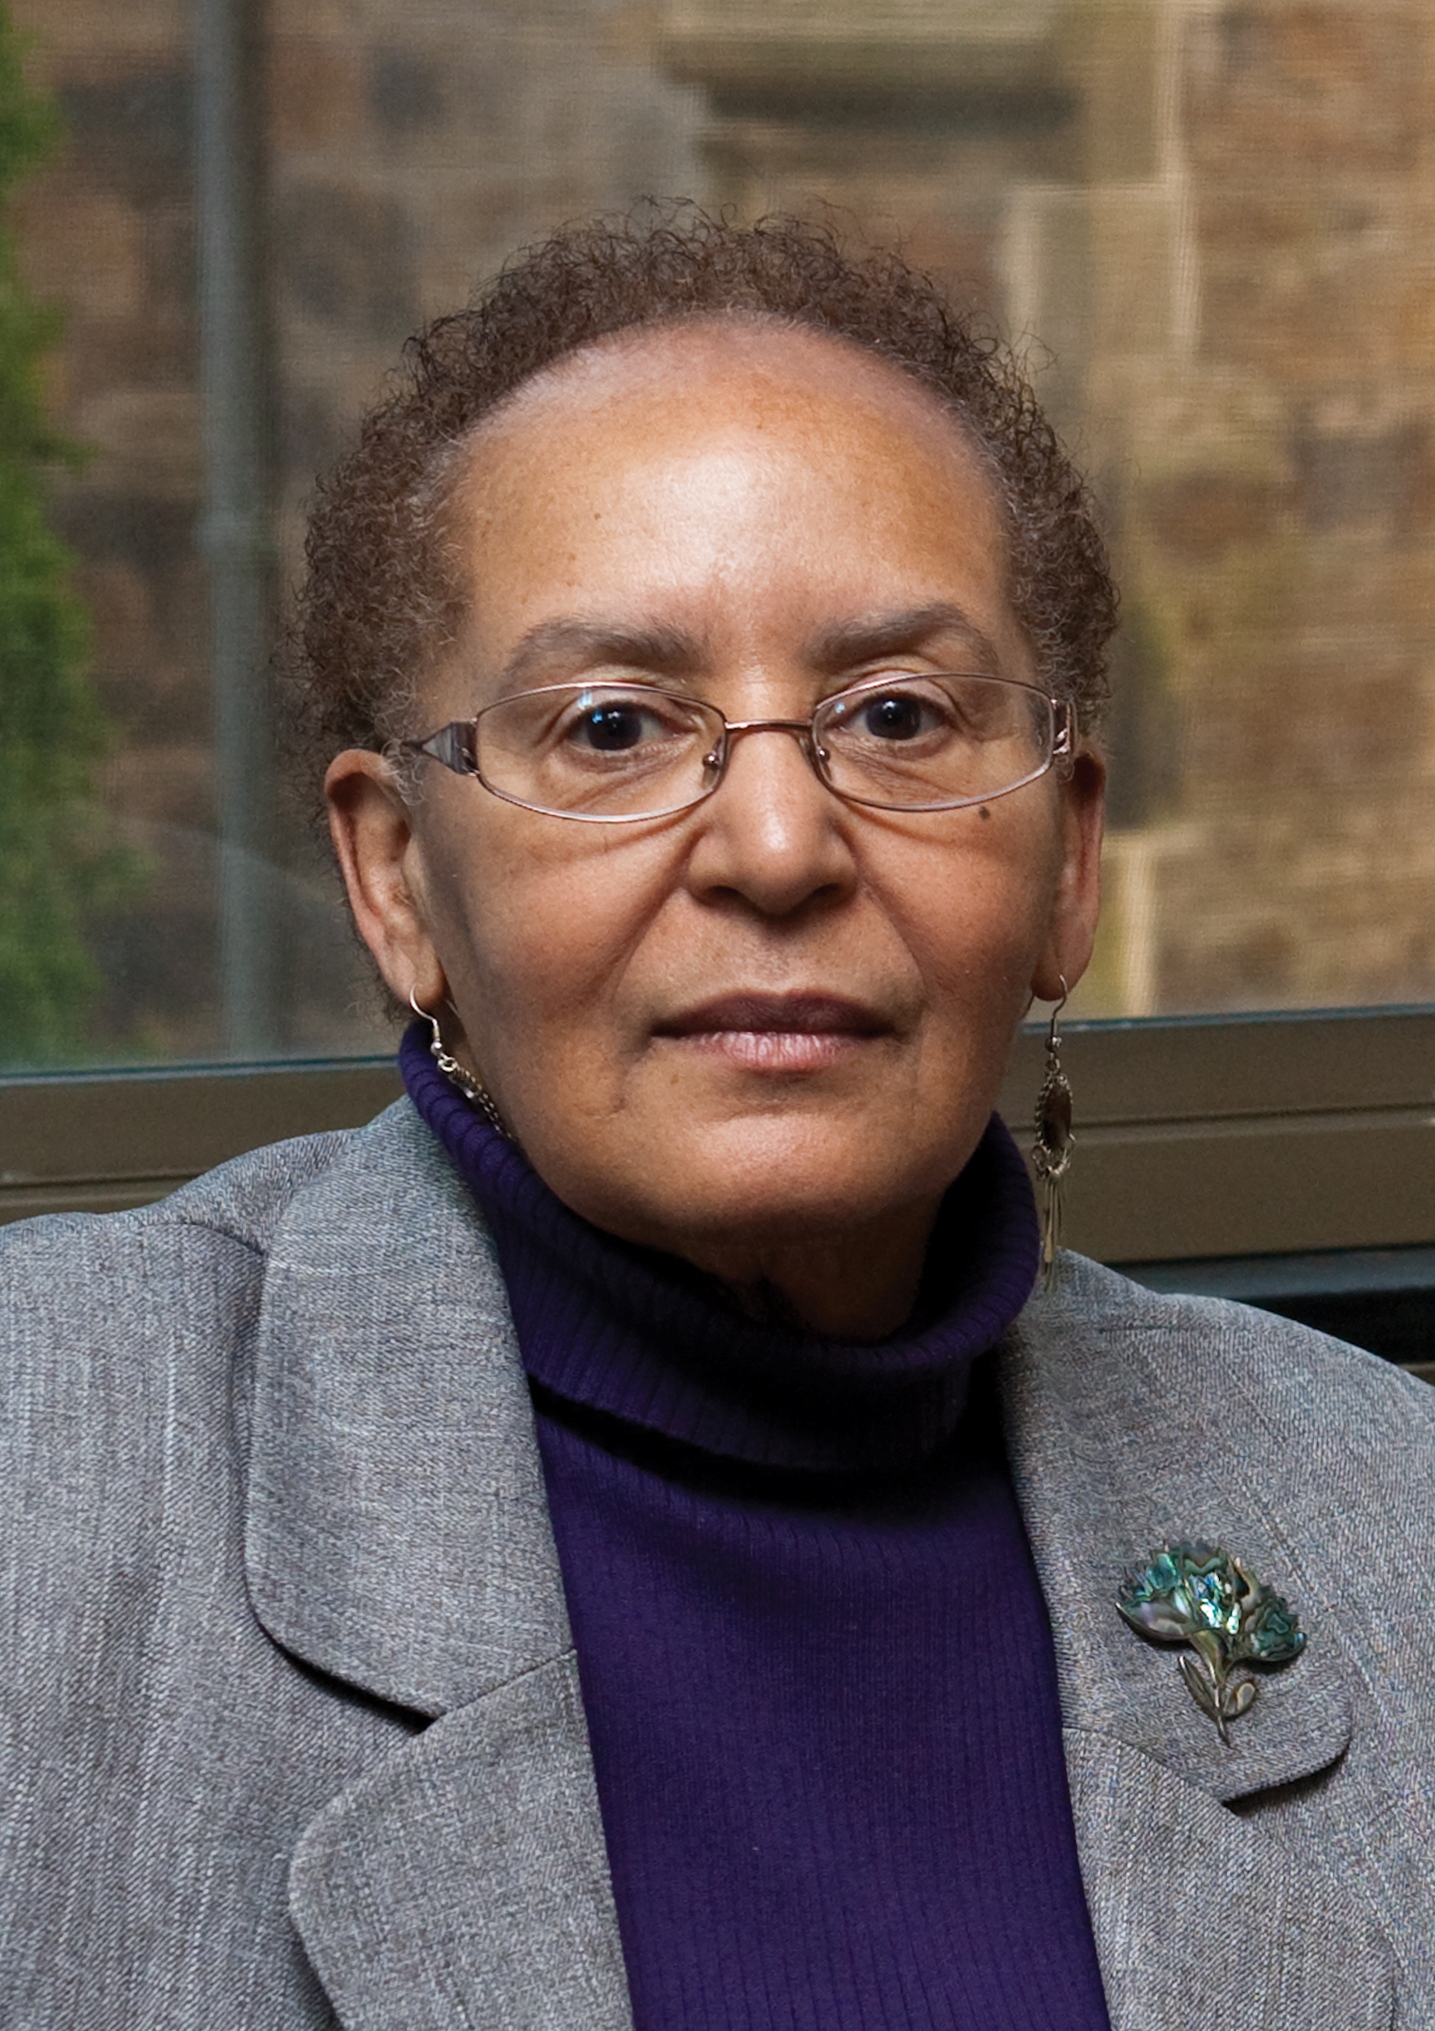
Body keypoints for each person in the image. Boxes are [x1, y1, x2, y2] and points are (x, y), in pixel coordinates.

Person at [2, 212, 1432, 2031]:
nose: (776, 848)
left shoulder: (1391, 1513)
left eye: (898, 714)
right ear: (396, 883)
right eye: (612, 725)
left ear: (1069, 862)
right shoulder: (40, 1478)